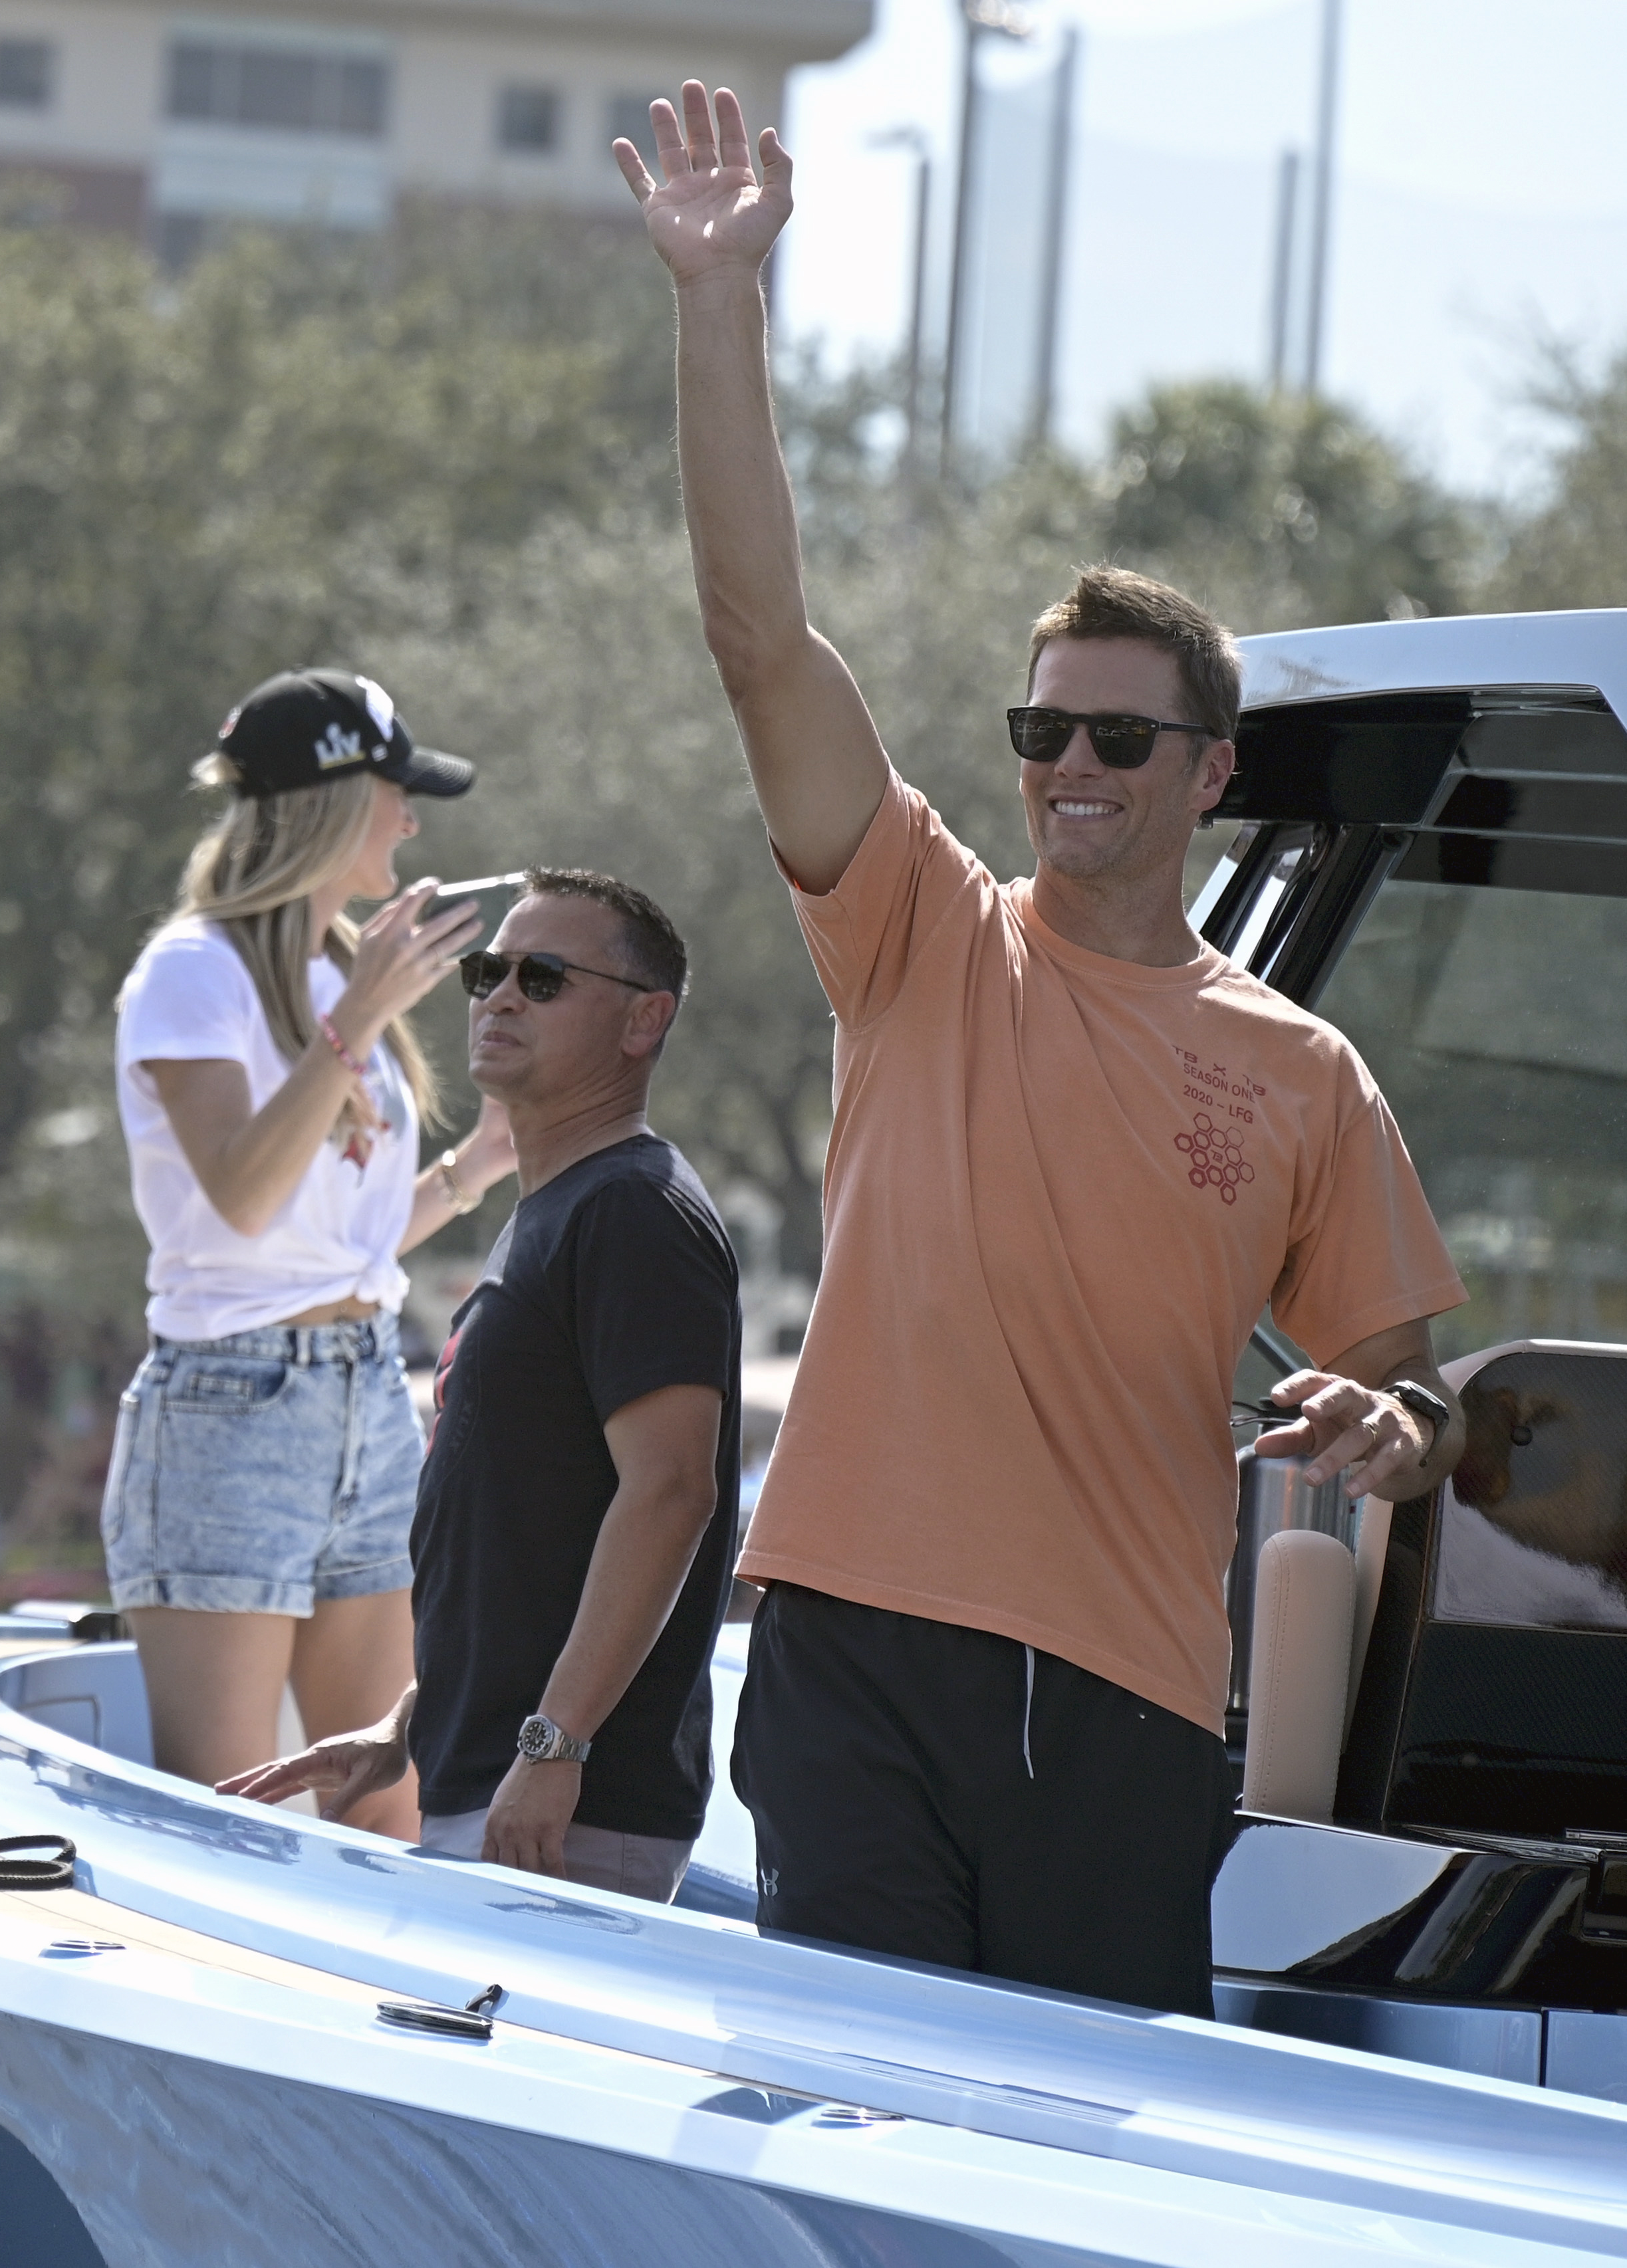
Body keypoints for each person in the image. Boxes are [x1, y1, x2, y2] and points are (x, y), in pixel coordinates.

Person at [617, 84, 1467, 2010]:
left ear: (1206, 773)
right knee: (859, 2129)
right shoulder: (912, 921)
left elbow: (1407, 1404)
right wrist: (713, 302)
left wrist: (1374, 1430)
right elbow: (757, 639)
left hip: (1123, 1704)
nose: (1063, 770)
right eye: (1037, 732)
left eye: (1112, 739)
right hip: (851, 1652)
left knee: (1069, 2167)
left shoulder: (1299, 1070)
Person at [221, 873, 741, 1900]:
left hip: (568, 1807)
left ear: (646, 1020)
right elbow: (529, 1538)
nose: (499, 997)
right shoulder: (553, 1212)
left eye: (542, 977)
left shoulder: (634, 1214)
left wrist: (555, 1749)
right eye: (484, 971)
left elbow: (670, 1494)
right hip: (506, 1782)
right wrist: (407, 1728)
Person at [102, 667, 507, 1840]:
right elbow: (238, 1199)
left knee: (387, 1810)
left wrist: (477, 1167)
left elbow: (338, 1248)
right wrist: (356, 1025)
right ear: (334, 801)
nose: (413, 822)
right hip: (227, 1408)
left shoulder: (337, 976)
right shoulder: (192, 972)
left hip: (364, 1394)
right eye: (396, 795)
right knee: (228, 1822)